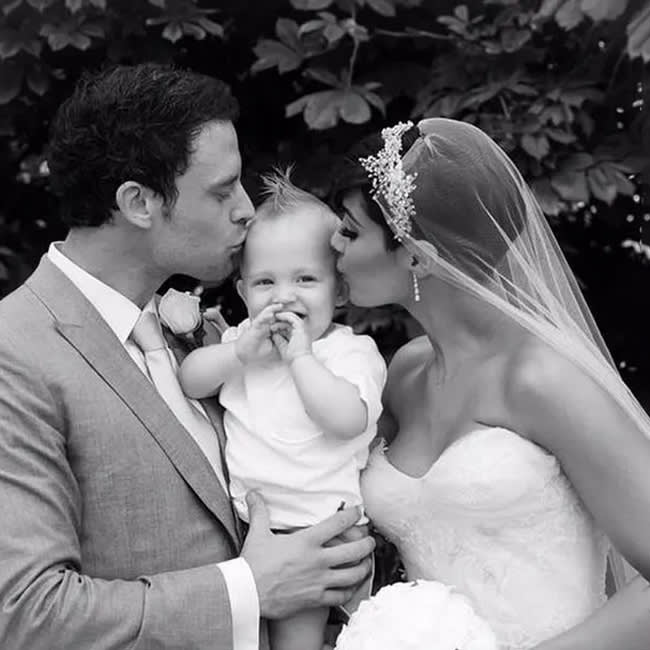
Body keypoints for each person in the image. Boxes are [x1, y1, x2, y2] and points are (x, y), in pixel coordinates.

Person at [0, 63, 375, 650]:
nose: (248, 209)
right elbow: (26, 615)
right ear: (139, 202)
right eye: (223, 190)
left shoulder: (199, 332)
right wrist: (252, 590)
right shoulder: (14, 352)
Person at [329, 118, 650, 650]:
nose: (332, 243)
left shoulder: (543, 380)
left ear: (416, 254)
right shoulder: (404, 374)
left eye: (349, 229)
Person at [179, 169, 387, 650]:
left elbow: (347, 420)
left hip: (322, 531)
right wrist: (238, 354)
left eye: (305, 279)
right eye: (265, 281)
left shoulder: (347, 354)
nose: (284, 296)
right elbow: (191, 378)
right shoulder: (242, 345)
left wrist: (299, 359)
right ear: (243, 294)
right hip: (250, 528)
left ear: (339, 291)